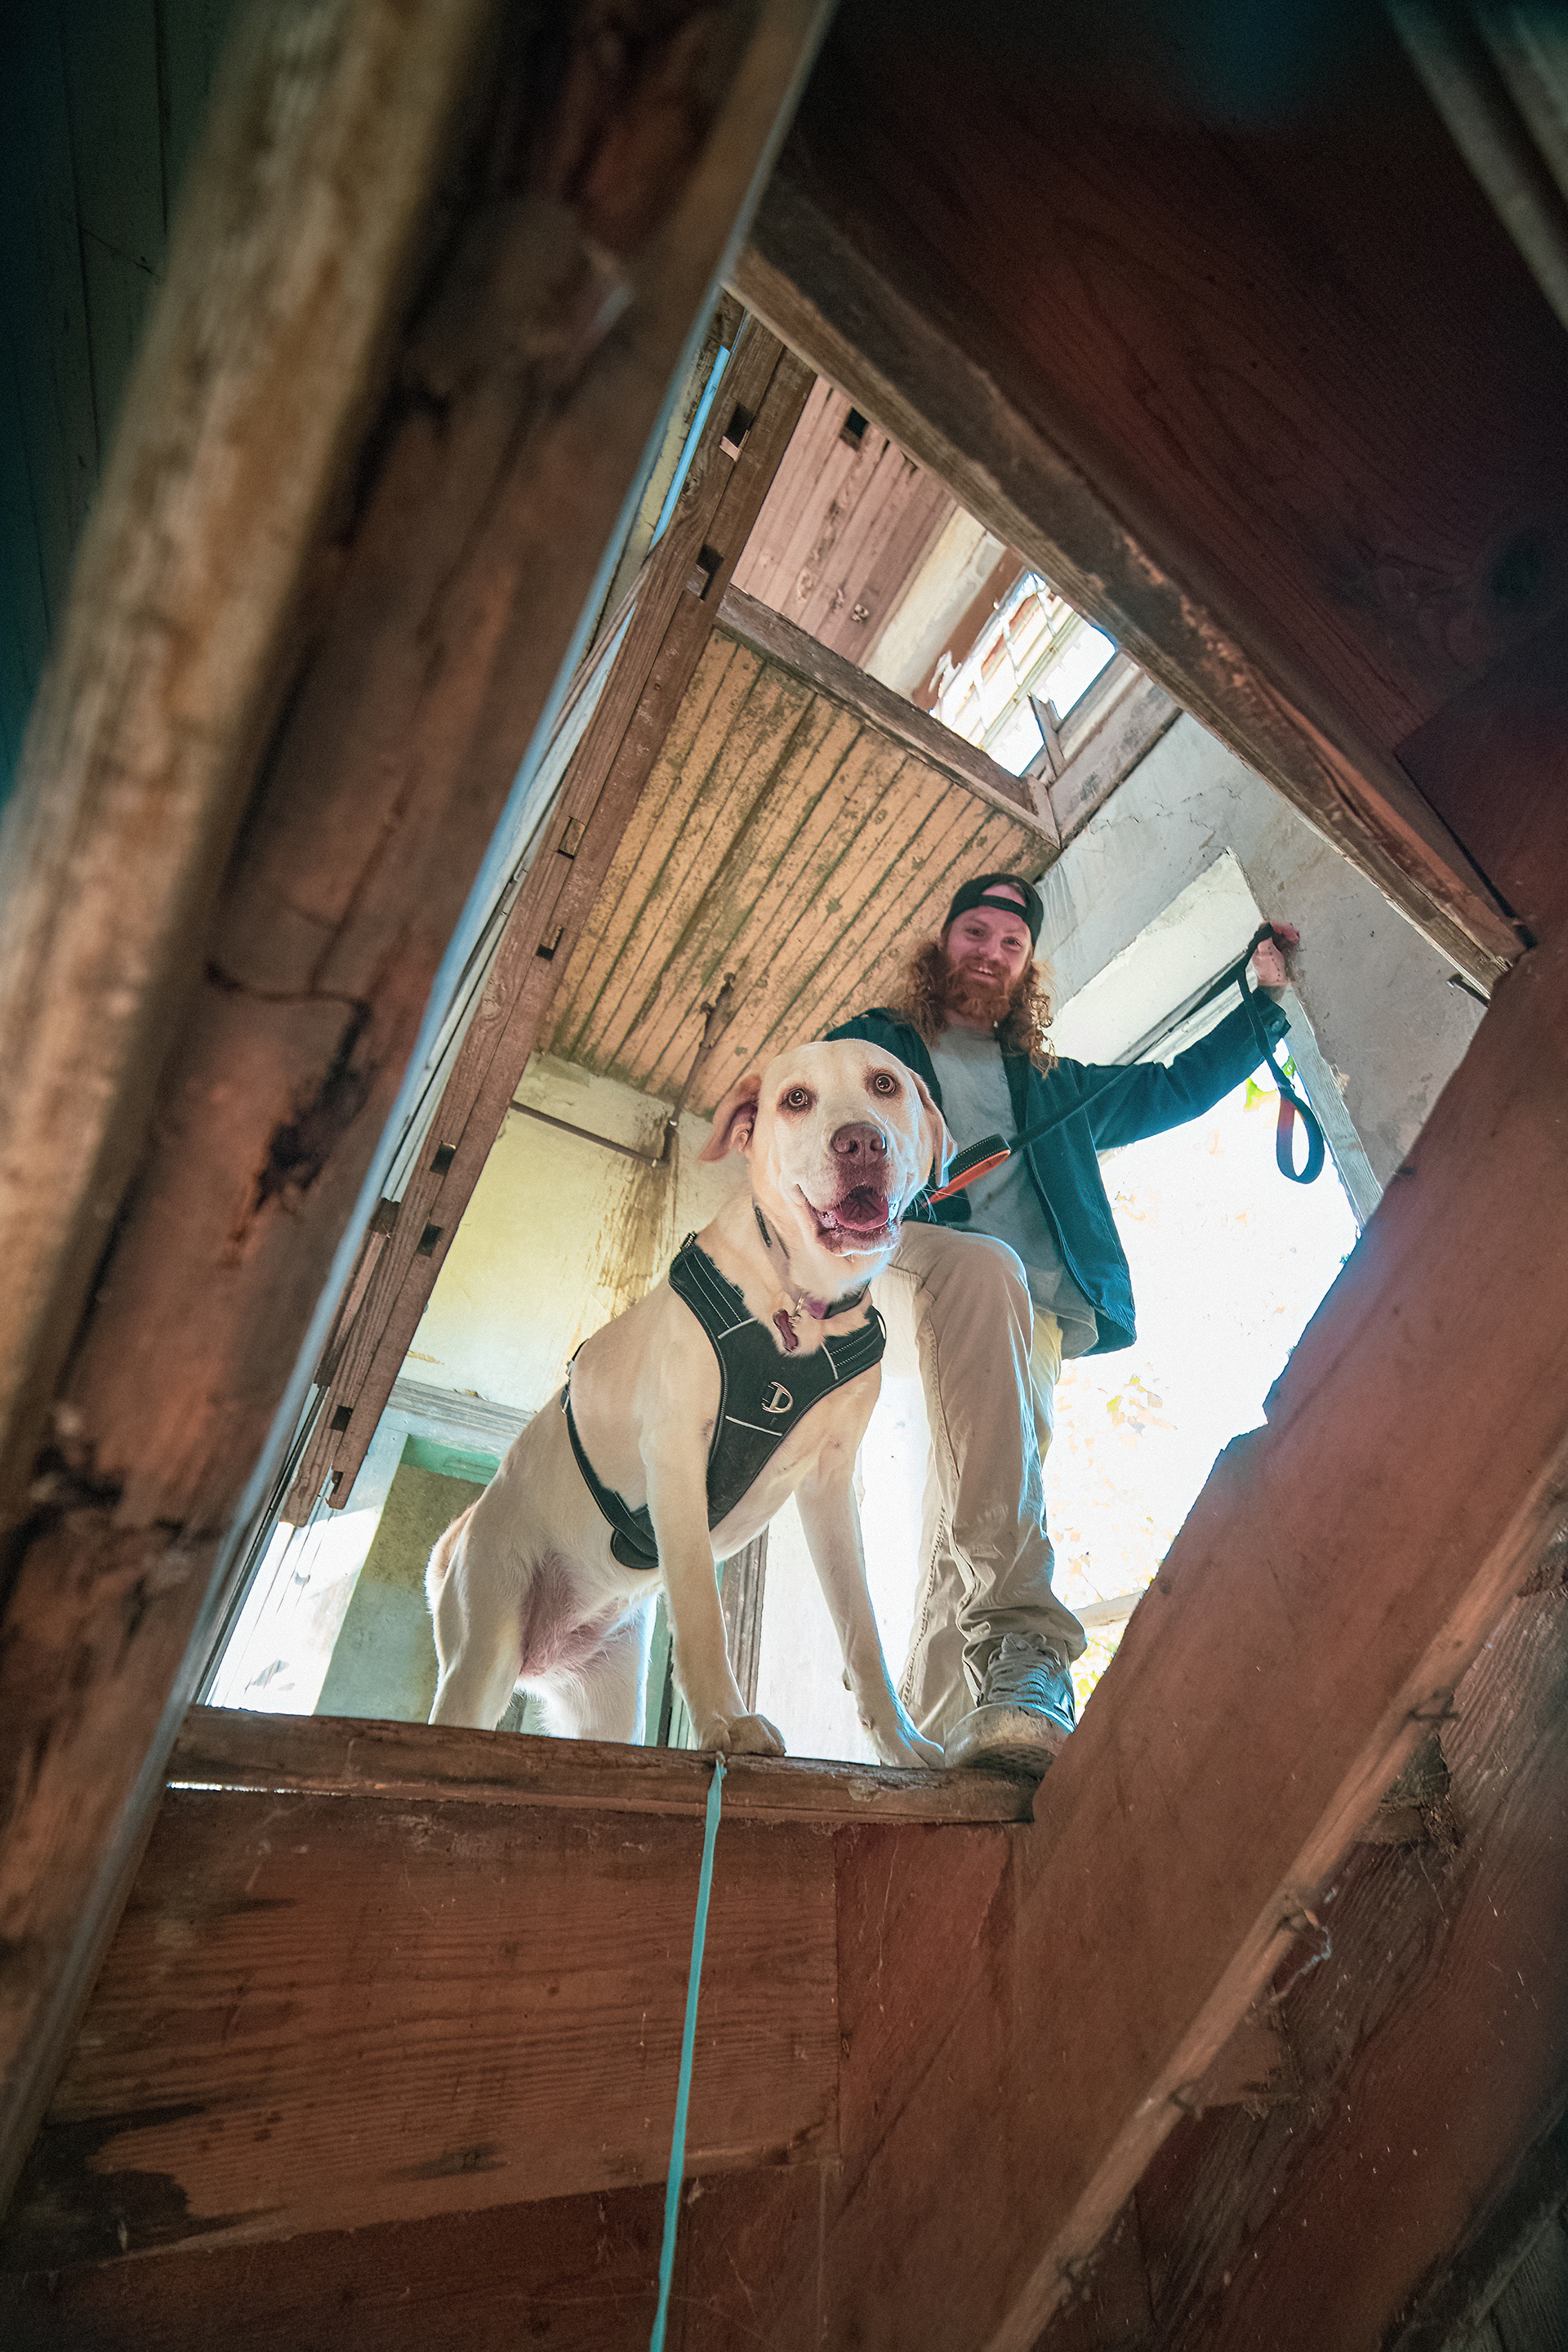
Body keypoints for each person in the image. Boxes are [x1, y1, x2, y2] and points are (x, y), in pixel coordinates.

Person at [828, 872, 1292, 1775]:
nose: (991, 954)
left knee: (982, 1496)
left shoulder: (1055, 1085)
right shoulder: (874, 1044)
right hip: (910, 1270)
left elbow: (1174, 1089)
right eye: (976, 933)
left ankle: (948, 1730)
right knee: (982, 1407)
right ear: (942, 942)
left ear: (1027, 968)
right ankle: (1028, 1642)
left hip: (1032, 1317)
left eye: (1011, 944)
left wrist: (1265, 1004)